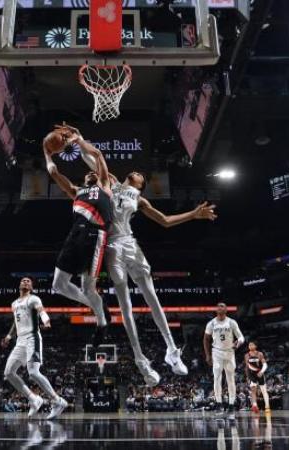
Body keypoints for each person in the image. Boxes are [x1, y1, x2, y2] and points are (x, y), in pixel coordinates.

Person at [62, 123, 217, 386]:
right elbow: (93, 157)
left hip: (130, 244)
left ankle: (171, 350)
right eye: (133, 172)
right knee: (126, 306)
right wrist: (78, 139)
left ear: (141, 184)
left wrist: (193, 214)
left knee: (152, 296)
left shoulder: (140, 200)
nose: (135, 172)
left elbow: (166, 221)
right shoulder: (110, 182)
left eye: (139, 174)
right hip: (110, 245)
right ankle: (140, 360)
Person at [43, 131, 113, 346]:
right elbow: (54, 173)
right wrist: (46, 152)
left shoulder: (105, 186)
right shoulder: (76, 191)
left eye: (92, 173)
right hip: (75, 234)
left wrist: (80, 139)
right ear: (84, 179)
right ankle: (97, 307)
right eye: (87, 175)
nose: (89, 174)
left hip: (96, 234)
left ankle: (101, 324)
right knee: (58, 285)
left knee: (88, 288)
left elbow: (99, 155)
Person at [1, 277, 68, 420]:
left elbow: (41, 310)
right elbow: (16, 321)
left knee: (33, 373)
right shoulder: (14, 304)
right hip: (20, 341)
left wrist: (47, 321)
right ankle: (33, 399)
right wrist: (8, 336)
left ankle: (58, 401)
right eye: (23, 280)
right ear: (19, 285)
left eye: (28, 281)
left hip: (32, 338)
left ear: (31, 287)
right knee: (8, 373)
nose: (25, 282)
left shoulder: (33, 299)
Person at [204, 302, 244, 420]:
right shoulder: (211, 323)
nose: (220, 308)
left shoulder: (231, 322)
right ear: (216, 310)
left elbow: (241, 337)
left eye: (222, 306)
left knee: (230, 378)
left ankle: (231, 404)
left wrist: (238, 342)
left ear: (226, 310)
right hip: (216, 352)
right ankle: (219, 404)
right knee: (217, 377)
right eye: (218, 306)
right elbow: (205, 339)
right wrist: (207, 355)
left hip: (229, 352)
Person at [245, 342, 271, 415]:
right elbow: (248, 366)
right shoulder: (247, 355)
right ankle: (255, 406)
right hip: (251, 374)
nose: (250, 346)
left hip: (260, 373)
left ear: (255, 346)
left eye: (252, 344)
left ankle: (267, 406)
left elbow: (265, 364)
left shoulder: (260, 354)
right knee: (253, 389)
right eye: (249, 345)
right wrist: (248, 376)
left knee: (263, 390)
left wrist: (262, 372)